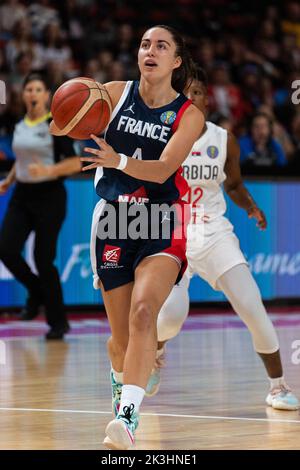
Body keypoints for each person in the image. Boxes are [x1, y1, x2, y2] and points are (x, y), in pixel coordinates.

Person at [52, 25, 204, 449]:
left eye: (161, 46)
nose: (149, 51)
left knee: (143, 315)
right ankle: (129, 380)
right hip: (115, 221)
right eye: (143, 44)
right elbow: (63, 119)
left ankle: (127, 419)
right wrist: (64, 118)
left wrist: (116, 158)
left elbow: (162, 170)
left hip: (161, 220)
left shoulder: (188, 115)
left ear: (176, 61)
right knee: (121, 340)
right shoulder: (113, 94)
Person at [147, 66, 299, 412]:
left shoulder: (222, 139)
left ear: (207, 100)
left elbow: (232, 184)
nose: (192, 97)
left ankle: (277, 386)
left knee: (252, 306)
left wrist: (252, 208)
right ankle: (156, 351)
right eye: (185, 93)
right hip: (173, 233)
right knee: (170, 315)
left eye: (198, 92)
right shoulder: (159, 137)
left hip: (214, 232)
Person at [0, 72, 82, 340]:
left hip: (50, 195)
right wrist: (10, 180)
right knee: (6, 250)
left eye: (38, 89)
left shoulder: (55, 124)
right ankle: (36, 292)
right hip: (22, 194)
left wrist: (47, 170)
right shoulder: (19, 124)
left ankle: (58, 322)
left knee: (43, 260)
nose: (33, 93)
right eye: (29, 89)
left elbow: (74, 163)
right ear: (23, 94)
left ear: (47, 95)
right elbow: (22, 158)